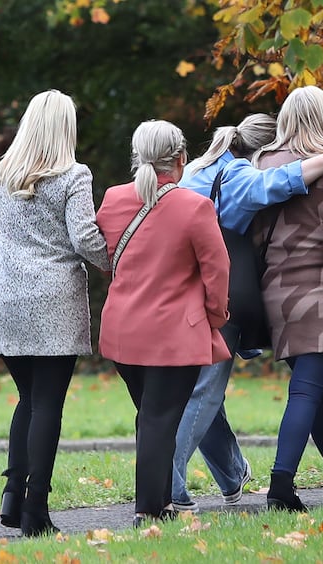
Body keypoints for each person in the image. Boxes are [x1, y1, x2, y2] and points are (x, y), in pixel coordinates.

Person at [172, 113, 323, 513]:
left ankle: (231, 473)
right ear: (259, 151)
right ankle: (167, 486)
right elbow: (278, 181)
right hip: (219, 293)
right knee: (205, 390)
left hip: (180, 287)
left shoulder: (198, 168)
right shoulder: (239, 174)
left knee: (205, 389)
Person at [0, 89, 110, 536]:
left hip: (0, 294)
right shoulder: (73, 174)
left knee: (28, 398)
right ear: (65, 128)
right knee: (48, 403)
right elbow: (84, 238)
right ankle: (37, 511)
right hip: (51, 296)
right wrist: (120, 260)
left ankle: (13, 497)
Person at [95, 119, 231, 527]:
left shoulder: (114, 199)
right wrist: (215, 317)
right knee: (159, 419)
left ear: (136, 157)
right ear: (181, 159)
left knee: (151, 416)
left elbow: (108, 260)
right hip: (174, 335)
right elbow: (217, 271)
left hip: (122, 332)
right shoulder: (194, 206)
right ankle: (148, 511)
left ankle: (161, 505)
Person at [251, 86, 323, 511]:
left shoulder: (263, 165)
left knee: (319, 393)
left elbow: (254, 231)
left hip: (278, 292)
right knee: (306, 392)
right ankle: (280, 486)